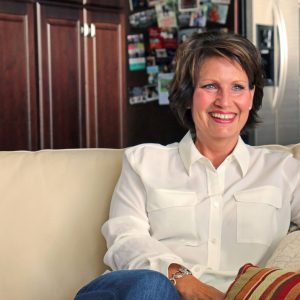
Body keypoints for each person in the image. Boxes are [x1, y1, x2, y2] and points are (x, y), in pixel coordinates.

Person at [75, 31, 300, 299]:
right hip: (146, 291)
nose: (224, 101)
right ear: (188, 93)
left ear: (251, 96)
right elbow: (125, 239)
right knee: (151, 285)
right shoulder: (144, 162)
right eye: (210, 86)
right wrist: (182, 277)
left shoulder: (283, 170)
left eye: (237, 87)